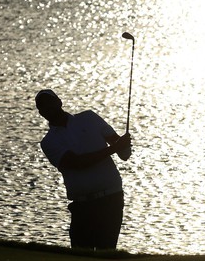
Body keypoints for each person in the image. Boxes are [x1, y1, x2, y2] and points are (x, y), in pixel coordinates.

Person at [35, 89, 132, 250]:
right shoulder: (49, 142)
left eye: (50, 103)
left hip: (111, 199)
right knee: (81, 252)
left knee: (106, 251)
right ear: (40, 113)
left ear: (59, 102)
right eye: (42, 106)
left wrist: (123, 145)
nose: (47, 108)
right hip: (82, 205)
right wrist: (115, 148)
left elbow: (123, 153)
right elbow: (78, 163)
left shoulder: (89, 118)